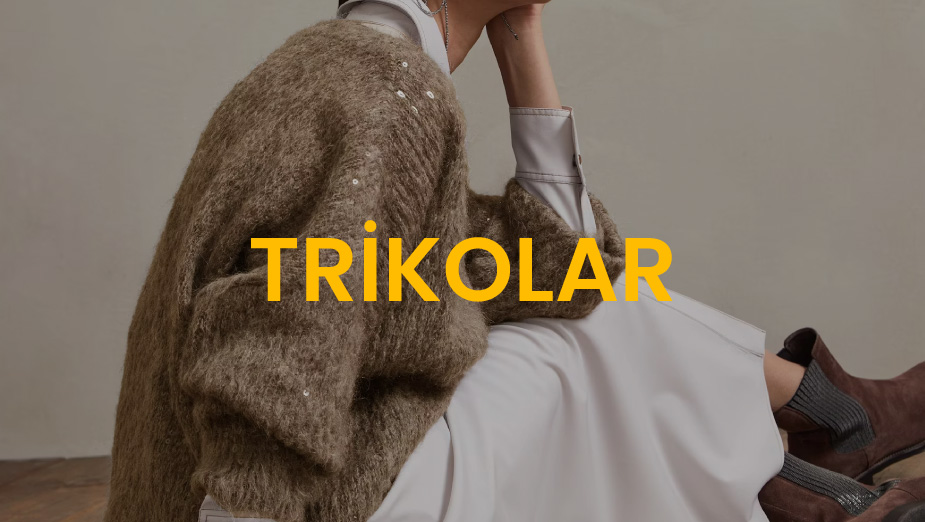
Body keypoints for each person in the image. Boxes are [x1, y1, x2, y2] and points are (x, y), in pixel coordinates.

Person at [105, 1, 925, 521]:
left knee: (587, 307)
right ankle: (823, 442)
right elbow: (272, 338)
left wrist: (520, 37)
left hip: (315, 476)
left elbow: (564, 268)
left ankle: (820, 450)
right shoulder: (384, 85)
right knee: (586, 335)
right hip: (315, 501)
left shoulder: (356, 64)